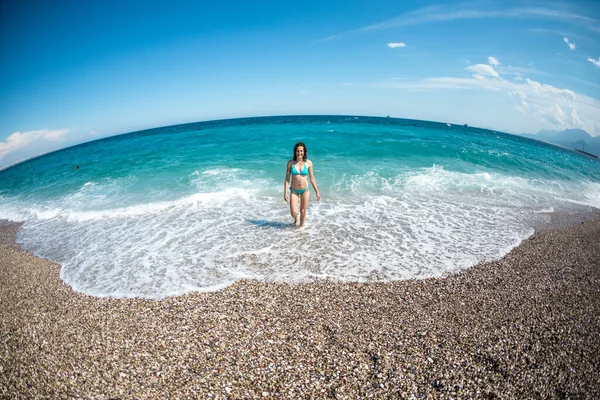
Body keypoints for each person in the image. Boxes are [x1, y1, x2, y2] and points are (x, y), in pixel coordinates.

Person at [284, 142, 321, 227]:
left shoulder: (309, 163)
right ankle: (296, 219)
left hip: (305, 190)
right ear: (295, 152)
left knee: (303, 210)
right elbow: (287, 178)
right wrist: (285, 192)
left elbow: (312, 178)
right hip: (294, 190)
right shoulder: (290, 163)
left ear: (304, 152)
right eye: (297, 151)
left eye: (301, 151)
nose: (299, 153)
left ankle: (301, 229)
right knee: (293, 211)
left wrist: (317, 191)